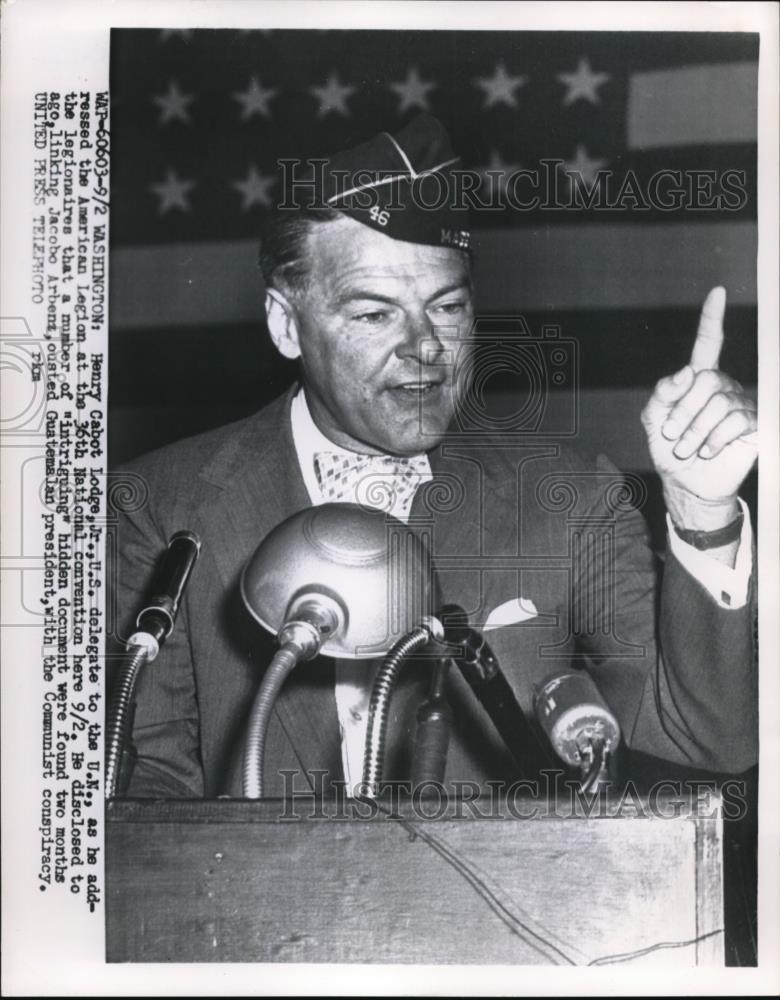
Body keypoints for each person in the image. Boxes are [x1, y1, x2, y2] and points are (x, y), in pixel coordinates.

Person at [110, 115, 757, 799]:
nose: (424, 346)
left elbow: (705, 737)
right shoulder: (160, 509)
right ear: (284, 323)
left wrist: (701, 510)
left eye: (445, 307)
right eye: (374, 314)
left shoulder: (570, 498)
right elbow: (145, 792)